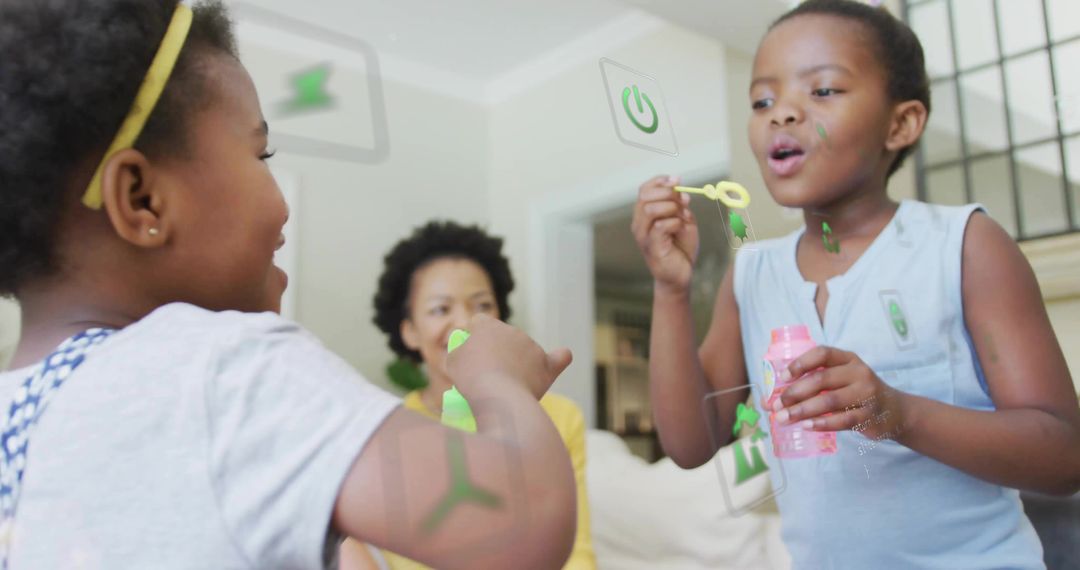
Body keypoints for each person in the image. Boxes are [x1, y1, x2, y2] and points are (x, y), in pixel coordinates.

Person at [0, 1, 577, 568]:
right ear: (143, 200)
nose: (280, 200)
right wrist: (500, 382)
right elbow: (521, 522)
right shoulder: (225, 371)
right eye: (261, 151)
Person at [631, 0, 1080, 567]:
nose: (781, 114)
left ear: (901, 124)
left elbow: (1064, 455)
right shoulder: (752, 275)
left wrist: (899, 413)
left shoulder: (965, 245)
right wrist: (670, 291)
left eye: (822, 91)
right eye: (762, 100)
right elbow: (690, 446)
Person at [341, 221, 597, 570]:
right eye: (440, 309)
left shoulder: (559, 415)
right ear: (410, 331)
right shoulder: (385, 427)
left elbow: (576, 553)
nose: (463, 323)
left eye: (481, 306)